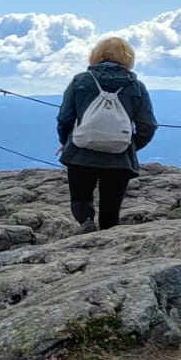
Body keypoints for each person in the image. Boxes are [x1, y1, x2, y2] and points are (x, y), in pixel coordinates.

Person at [56, 36, 158, 233]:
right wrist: (130, 146)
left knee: (80, 200)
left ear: (97, 55)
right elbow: (148, 125)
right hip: (119, 160)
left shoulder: (81, 81)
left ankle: (87, 222)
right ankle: (107, 240)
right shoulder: (137, 87)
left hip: (80, 154)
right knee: (111, 211)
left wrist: (66, 141)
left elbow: (64, 118)